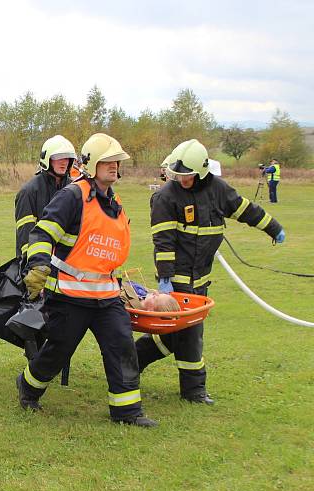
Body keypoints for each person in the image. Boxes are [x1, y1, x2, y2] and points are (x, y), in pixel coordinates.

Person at [17, 133, 157, 427]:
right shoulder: (71, 195)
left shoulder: (113, 200)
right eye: (108, 161)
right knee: (57, 350)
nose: (114, 166)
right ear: (92, 164)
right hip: (70, 297)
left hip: (106, 296)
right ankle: (28, 386)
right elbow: (42, 233)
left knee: (122, 346)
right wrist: (39, 266)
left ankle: (127, 412)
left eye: (117, 162)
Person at [136, 139, 285, 404]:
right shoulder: (165, 197)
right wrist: (166, 278)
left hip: (201, 278)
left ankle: (132, 362)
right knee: (191, 332)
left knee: (176, 334)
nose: (183, 180)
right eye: (179, 176)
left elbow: (246, 210)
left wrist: (273, 228)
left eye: (188, 176)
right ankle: (193, 391)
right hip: (178, 279)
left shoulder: (219, 191)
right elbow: (164, 240)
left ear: (202, 171)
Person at [15, 135, 76, 258]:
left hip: (67, 264)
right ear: (46, 159)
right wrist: (34, 263)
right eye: (58, 157)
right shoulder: (28, 192)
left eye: (67, 157)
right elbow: (26, 235)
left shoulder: (75, 190)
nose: (64, 161)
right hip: (37, 264)